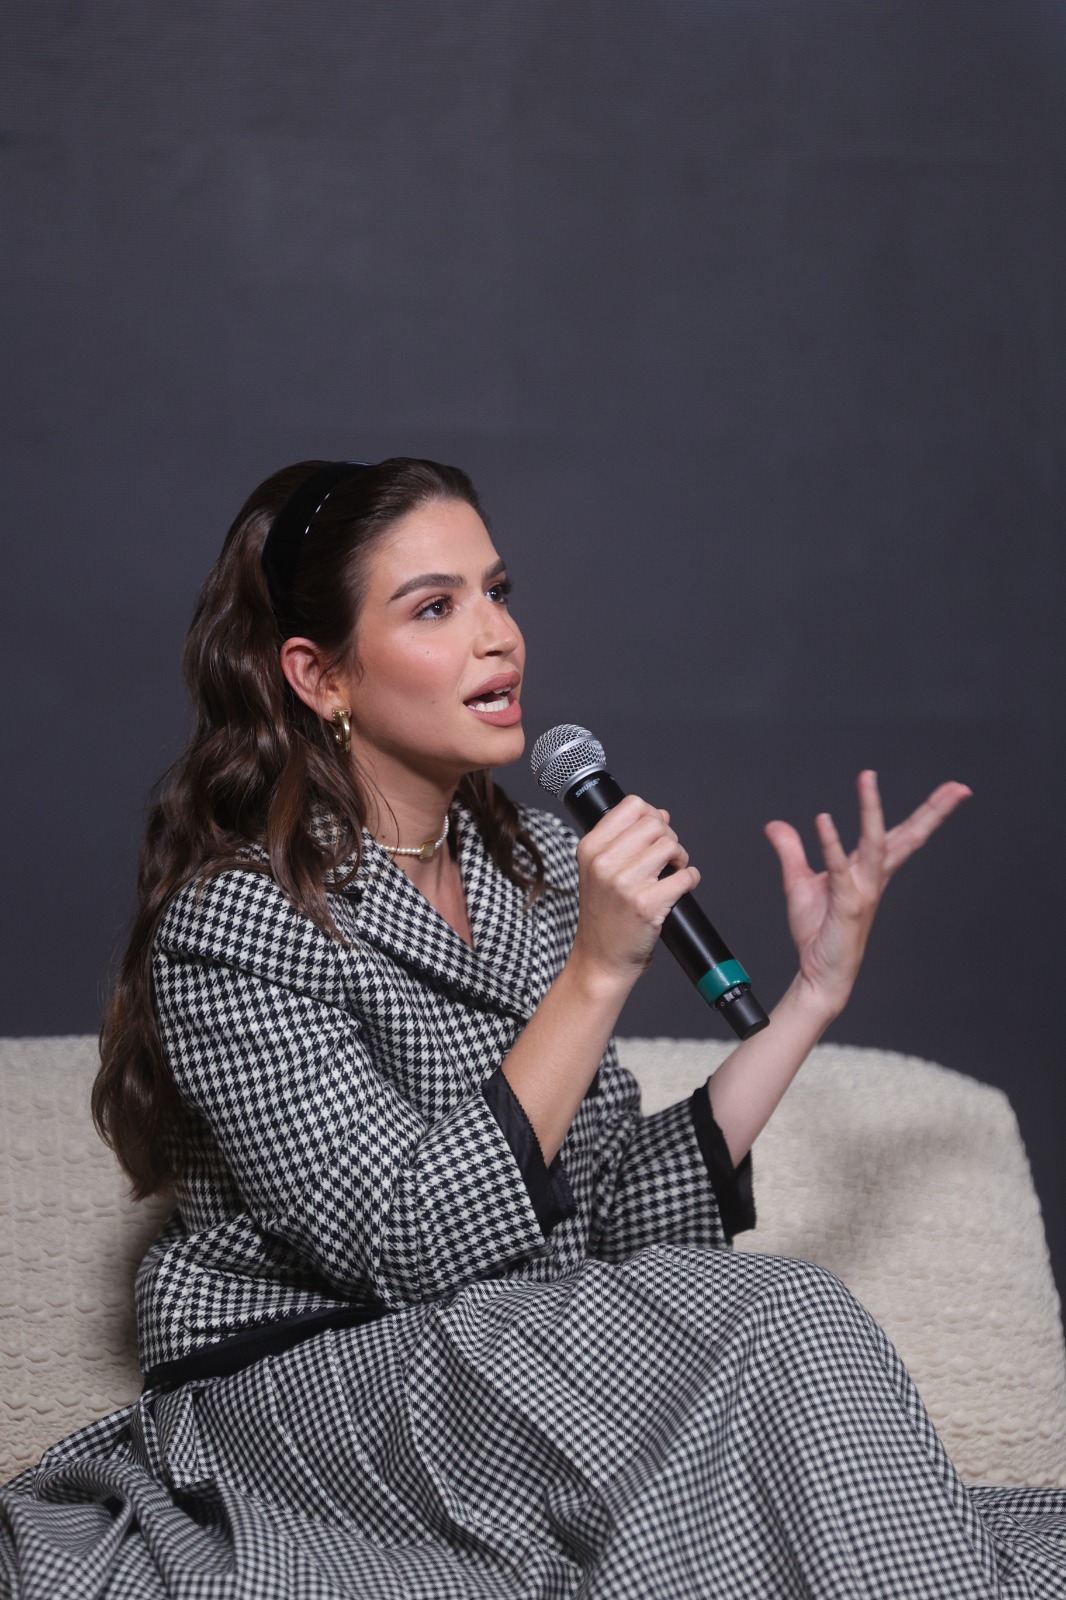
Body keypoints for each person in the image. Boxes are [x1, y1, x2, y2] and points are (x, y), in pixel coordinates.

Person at [1, 456, 1063, 1599]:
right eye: (434, 607)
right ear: (319, 675)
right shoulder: (238, 922)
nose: (497, 637)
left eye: (497, 592)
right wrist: (596, 973)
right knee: (789, 1319)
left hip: (507, 1364)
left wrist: (808, 998)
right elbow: (404, 1243)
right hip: (315, 1392)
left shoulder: (540, 868)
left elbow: (601, 1222)